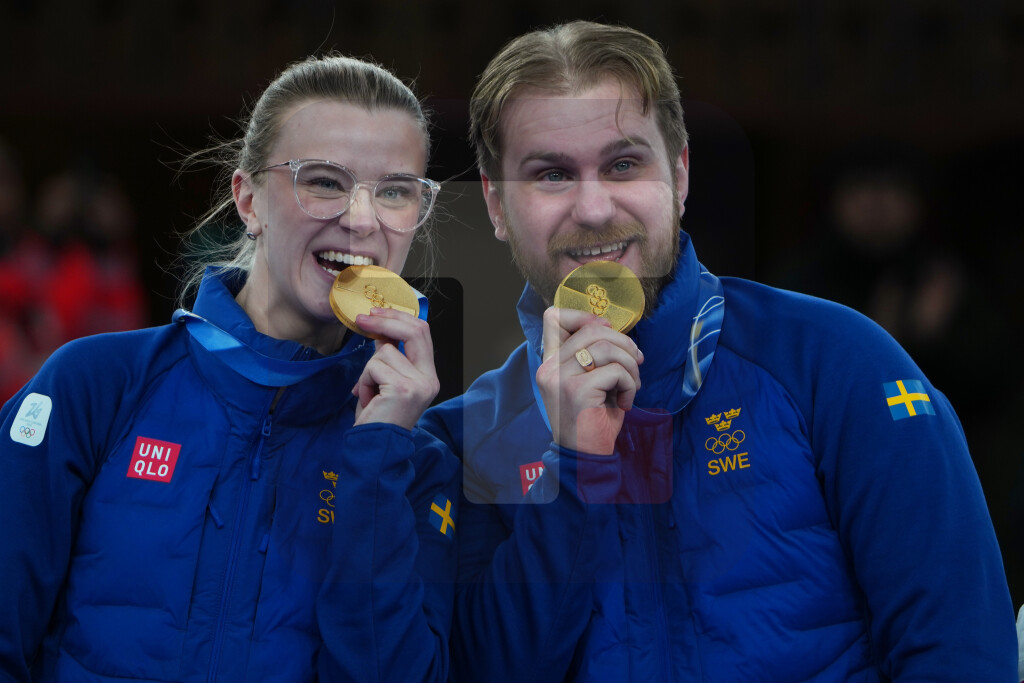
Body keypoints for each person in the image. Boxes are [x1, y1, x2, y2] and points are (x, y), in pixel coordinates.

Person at [420, 20, 1017, 681]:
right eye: (551, 174)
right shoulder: (460, 440)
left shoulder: (835, 360)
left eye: (623, 164)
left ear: (678, 174)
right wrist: (575, 471)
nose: (593, 208)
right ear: (498, 207)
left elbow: (960, 651)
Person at [0, 53, 458, 681]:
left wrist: (377, 456)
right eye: (323, 180)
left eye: (395, 192)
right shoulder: (95, 386)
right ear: (248, 200)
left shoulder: (417, 463)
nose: (360, 219)